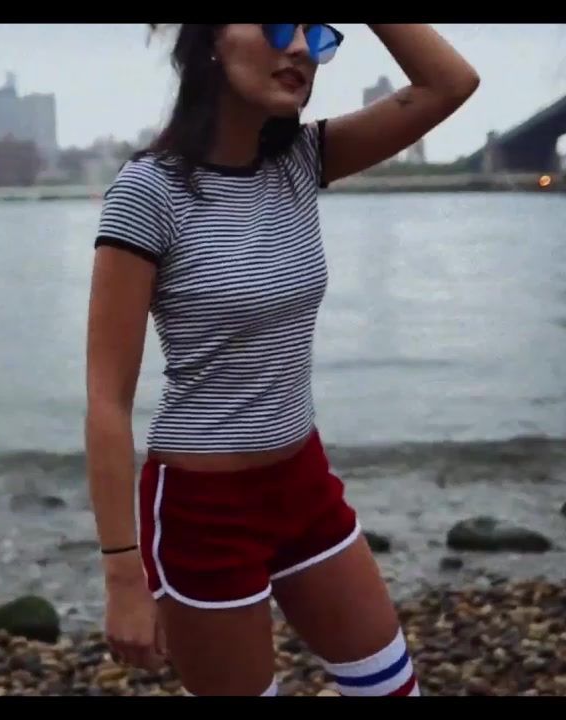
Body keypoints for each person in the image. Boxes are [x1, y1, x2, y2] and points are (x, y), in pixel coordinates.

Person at [84, 23, 479, 697]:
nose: (300, 47)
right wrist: (124, 575)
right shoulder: (148, 192)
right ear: (211, 39)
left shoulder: (301, 160)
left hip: (303, 486)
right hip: (204, 513)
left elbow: (450, 83)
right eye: (275, 24)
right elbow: (106, 398)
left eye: (316, 32)